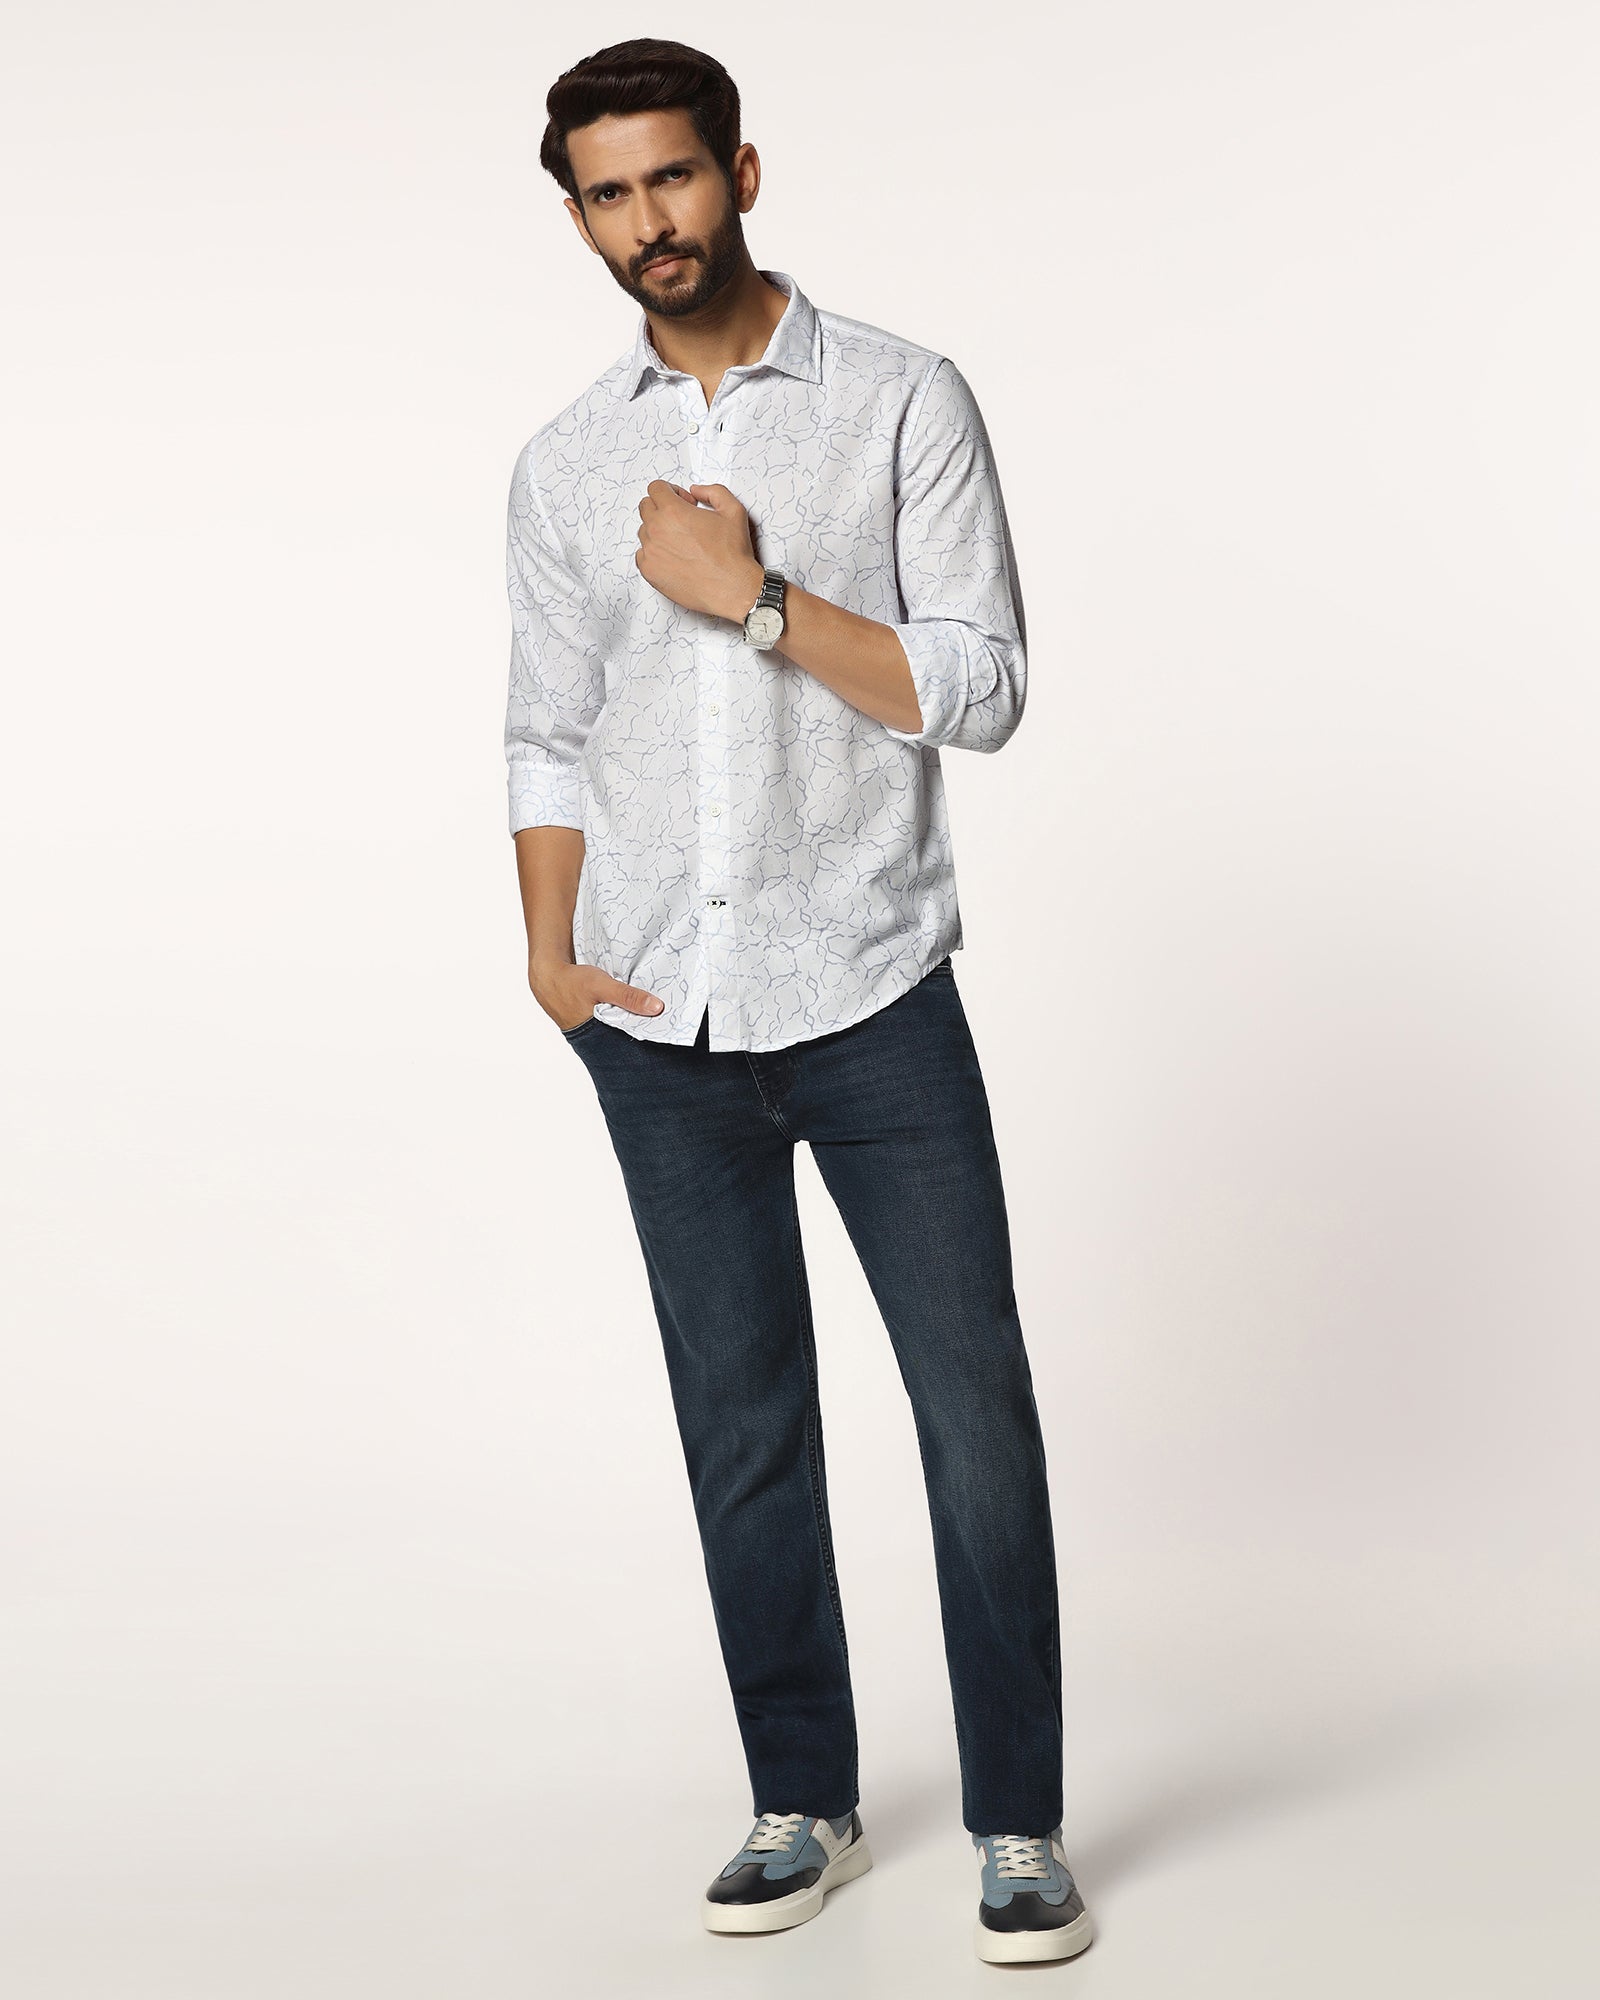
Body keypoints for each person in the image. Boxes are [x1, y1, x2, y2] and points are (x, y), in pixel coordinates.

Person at [504, 36, 1094, 1967]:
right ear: (579, 217)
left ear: (742, 173)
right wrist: (553, 960)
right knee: (739, 1421)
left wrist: (753, 602)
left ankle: (1017, 1827)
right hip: (656, 1021)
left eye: (673, 177)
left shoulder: (904, 398)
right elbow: (547, 730)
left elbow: (983, 688)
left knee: (972, 1410)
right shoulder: (563, 463)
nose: (648, 222)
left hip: (871, 991)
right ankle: (802, 1800)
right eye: (608, 194)